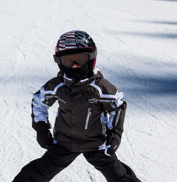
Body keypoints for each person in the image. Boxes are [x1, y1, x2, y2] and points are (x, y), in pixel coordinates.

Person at [13, 30, 141, 182]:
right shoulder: (58, 85)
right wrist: (41, 129)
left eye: (80, 59)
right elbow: (39, 101)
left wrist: (115, 134)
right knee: (35, 174)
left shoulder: (99, 87)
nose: (74, 66)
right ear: (59, 62)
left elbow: (117, 105)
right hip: (64, 143)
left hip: (96, 144)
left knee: (119, 175)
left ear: (91, 58)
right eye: (69, 61)